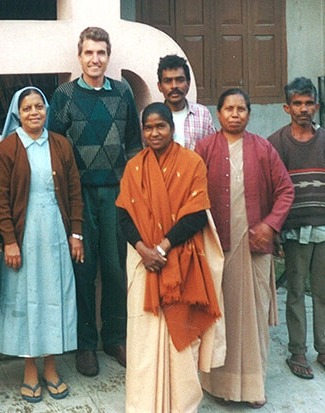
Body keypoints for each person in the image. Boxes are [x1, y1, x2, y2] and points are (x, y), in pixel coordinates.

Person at [116, 102, 225, 413]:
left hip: (181, 259)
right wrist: (143, 250)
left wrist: (161, 248)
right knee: (144, 335)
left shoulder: (192, 163)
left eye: (160, 126)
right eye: (148, 128)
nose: (154, 132)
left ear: (172, 128)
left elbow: (196, 216)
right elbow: (123, 216)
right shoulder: (134, 167)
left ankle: (182, 406)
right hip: (143, 262)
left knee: (182, 335)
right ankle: (143, 405)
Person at [48, 26, 142, 376]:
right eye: (89, 53)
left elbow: (133, 143)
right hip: (80, 195)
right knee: (83, 271)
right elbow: (55, 148)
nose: (95, 59)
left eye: (101, 52)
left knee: (116, 269)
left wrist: (133, 192)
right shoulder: (65, 95)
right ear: (79, 56)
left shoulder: (122, 93)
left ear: (108, 55)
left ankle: (115, 337)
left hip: (116, 194)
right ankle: (86, 345)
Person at [195, 89, 294, 408]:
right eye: (228, 108)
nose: (234, 114)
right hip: (216, 247)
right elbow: (191, 192)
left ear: (249, 114)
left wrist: (270, 224)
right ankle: (217, 385)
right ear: (219, 113)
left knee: (252, 319)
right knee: (218, 316)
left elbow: (286, 191)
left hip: (253, 247)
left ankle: (253, 389)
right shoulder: (205, 148)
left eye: (241, 109)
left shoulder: (263, 148)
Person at [0, 87, 84, 402]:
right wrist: (10, 242)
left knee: (54, 297)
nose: (34, 112)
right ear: (18, 113)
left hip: (56, 234)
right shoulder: (7, 148)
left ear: (47, 110)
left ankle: (51, 368)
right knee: (27, 299)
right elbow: (0, 201)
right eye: (27, 107)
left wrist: (76, 233)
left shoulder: (60, 144)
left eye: (39, 107)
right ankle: (30, 369)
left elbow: (74, 191)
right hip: (24, 237)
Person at [268, 77, 325, 380]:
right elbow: (272, 190)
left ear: (316, 106)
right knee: (295, 293)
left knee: (323, 293)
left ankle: (324, 350)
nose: (303, 109)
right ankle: (297, 352)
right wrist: (275, 232)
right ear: (287, 107)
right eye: (297, 103)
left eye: (308, 103)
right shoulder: (276, 143)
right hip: (293, 230)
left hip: (323, 230)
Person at [157, 54, 215, 150]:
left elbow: (211, 150)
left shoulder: (203, 114)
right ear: (160, 86)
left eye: (179, 80)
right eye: (168, 81)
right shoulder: (151, 117)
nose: (174, 86)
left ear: (188, 84)